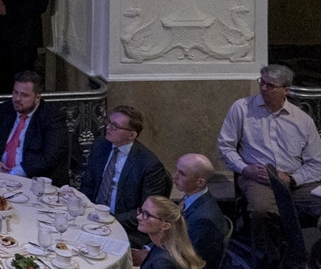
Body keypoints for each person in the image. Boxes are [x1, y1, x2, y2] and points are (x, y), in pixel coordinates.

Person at [216, 63, 321, 219]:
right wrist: (245, 169)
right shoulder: (242, 108)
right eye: (262, 82)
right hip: (259, 179)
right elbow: (225, 147)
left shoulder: (302, 120)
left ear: (286, 90)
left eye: (270, 86)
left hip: (295, 180)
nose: (263, 88)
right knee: (262, 210)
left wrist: (292, 179)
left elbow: (316, 162)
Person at [75, 105, 168, 235]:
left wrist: (110, 220)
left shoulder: (149, 165)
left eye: (115, 126)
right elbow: (88, 184)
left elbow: (146, 211)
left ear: (132, 135)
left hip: (123, 225)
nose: (108, 128)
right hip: (91, 217)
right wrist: (82, 207)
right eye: (108, 122)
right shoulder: (100, 145)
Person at [0, 70, 68, 181]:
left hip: (33, 180)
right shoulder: (3, 110)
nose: (17, 99)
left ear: (37, 97)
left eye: (24, 95)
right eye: (15, 92)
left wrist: (13, 173)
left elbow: (49, 158)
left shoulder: (52, 118)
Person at [172, 154, 230, 269]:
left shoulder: (204, 220)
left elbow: (189, 257)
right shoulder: (191, 198)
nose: (174, 176)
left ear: (200, 182)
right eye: (176, 170)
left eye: (182, 174)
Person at [131, 196, 204, 269]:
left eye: (146, 214)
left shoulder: (163, 262)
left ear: (165, 226)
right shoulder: (162, 244)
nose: (138, 217)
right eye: (141, 211)